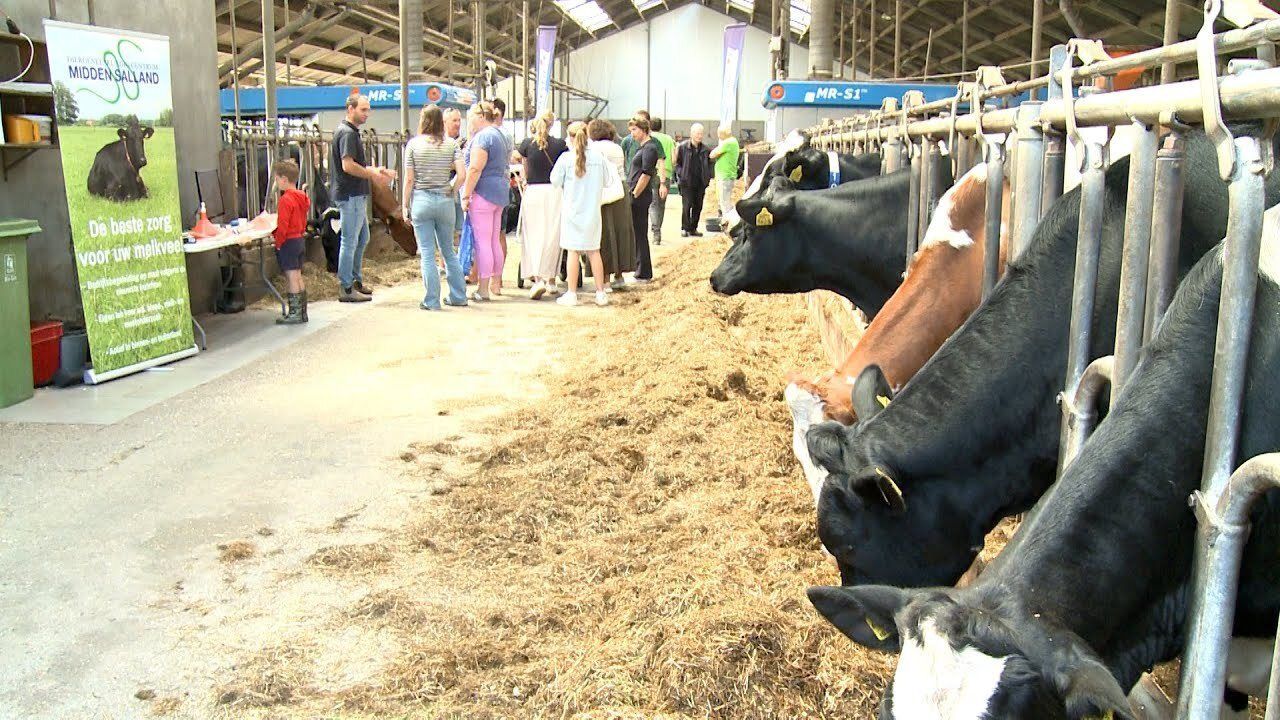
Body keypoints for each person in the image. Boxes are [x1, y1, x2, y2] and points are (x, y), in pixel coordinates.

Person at [331, 93, 396, 302]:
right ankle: (346, 286)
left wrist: (375, 171)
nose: (367, 113)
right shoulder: (348, 133)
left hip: (354, 193)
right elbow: (348, 165)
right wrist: (372, 174)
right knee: (350, 240)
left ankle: (354, 280)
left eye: (368, 109)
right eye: (363, 109)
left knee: (361, 238)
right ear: (350, 109)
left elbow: (352, 165)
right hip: (350, 193)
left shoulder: (348, 132)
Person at [403, 104, 468, 311]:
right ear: (441, 121)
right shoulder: (451, 144)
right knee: (448, 251)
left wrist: (404, 205)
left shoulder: (413, 145)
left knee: (427, 253)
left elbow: (409, 179)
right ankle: (458, 296)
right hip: (445, 201)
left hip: (421, 201)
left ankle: (431, 300)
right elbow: (462, 174)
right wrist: (452, 189)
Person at [551, 121, 615, 307]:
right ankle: (600, 293)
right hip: (592, 212)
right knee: (594, 251)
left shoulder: (565, 158)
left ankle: (571, 293)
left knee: (573, 251)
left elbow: (554, 180)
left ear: (570, 137)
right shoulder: (598, 157)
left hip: (572, 211)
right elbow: (608, 181)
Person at [459, 101, 510, 302]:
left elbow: (475, 168)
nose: (469, 121)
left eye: (471, 116)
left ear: (480, 116)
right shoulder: (500, 135)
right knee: (493, 240)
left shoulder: (483, 137)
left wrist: (466, 195)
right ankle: (495, 281)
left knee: (482, 242)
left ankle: (483, 288)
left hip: (483, 193)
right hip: (500, 192)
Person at [514, 111, 568, 299]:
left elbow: (523, 166)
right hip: (554, 192)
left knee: (533, 236)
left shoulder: (527, 144)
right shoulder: (560, 145)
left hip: (533, 192)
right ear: (552, 124)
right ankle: (551, 279)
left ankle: (537, 279)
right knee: (553, 236)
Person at [587, 118, 636, 290]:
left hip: (603, 192)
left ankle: (605, 279)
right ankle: (619, 276)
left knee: (605, 235)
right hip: (620, 191)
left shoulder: (594, 148)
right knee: (620, 232)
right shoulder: (617, 147)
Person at [272, 159, 310, 324]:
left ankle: (295, 313)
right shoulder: (302, 197)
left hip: (288, 241)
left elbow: (283, 225)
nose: (276, 182)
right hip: (299, 239)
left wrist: (278, 242)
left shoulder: (285, 200)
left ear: (284, 179)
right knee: (298, 276)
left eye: (276, 179)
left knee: (291, 277)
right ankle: (302, 312)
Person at [626, 116, 661, 283]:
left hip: (640, 196)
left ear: (644, 129)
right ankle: (640, 269)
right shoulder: (644, 147)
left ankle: (643, 272)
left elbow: (646, 174)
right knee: (638, 233)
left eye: (635, 130)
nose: (632, 133)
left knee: (640, 233)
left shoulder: (650, 148)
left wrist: (635, 193)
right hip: (637, 194)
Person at [674, 122, 713, 237]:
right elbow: (677, 163)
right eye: (697, 133)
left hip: (700, 182)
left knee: (698, 206)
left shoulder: (706, 149)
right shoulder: (682, 147)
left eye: (701, 133)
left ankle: (693, 228)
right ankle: (684, 228)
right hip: (686, 182)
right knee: (686, 206)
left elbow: (710, 164)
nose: (699, 136)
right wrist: (681, 174)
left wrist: (708, 176)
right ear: (691, 134)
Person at [648, 117, 675, 246]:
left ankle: (656, 232)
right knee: (661, 204)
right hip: (667, 174)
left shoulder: (649, 138)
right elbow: (674, 159)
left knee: (653, 204)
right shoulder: (669, 139)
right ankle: (658, 229)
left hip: (653, 173)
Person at [709, 123, 741, 228]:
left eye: (719, 133)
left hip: (725, 176)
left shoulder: (728, 142)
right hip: (728, 175)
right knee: (725, 201)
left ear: (723, 133)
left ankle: (729, 225)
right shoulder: (733, 142)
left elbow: (712, 154)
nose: (718, 136)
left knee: (725, 203)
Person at [444, 107, 465, 240]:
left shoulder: (465, 143)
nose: (457, 124)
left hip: (459, 189)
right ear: (444, 122)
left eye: (459, 120)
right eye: (454, 120)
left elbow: (465, 166)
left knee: (459, 229)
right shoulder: (438, 142)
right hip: (443, 190)